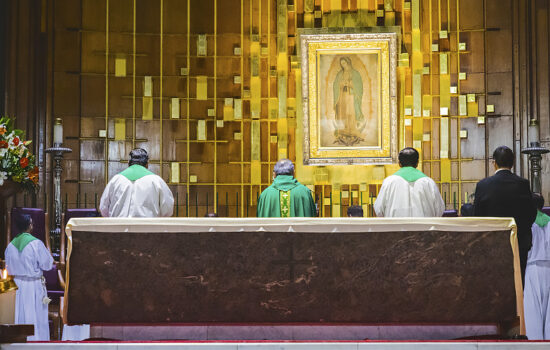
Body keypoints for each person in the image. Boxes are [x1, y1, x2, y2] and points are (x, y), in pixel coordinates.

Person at [474, 146, 536, 284]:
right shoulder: (522, 184)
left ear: (494, 162)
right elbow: (531, 213)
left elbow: (477, 216)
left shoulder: (483, 185)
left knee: (493, 284)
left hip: (491, 245)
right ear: (512, 163)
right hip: (518, 243)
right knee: (518, 284)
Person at [4, 214, 54, 341]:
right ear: (30, 226)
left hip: (15, 286)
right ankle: (36, 341)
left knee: (18, 314)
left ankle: (18, 342)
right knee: (35, 315)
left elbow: (7, 267)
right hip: (33, 284)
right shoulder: (36, 244)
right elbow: (47, 264)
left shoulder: (10, 246)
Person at [100, 148, 174, 217]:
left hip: (119, 228)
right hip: (148, 228)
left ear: (128, 163)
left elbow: (103, 208)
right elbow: (168, 209)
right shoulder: (156, 181)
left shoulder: (116, 180)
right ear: (147, 164)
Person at [374, 147, 445, 217]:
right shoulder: (428, 182)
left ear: (399, 163)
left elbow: (379, 210)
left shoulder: (389, 182)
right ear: (417, 163)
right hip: (423, 227)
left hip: (396, 227)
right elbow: (439, 209)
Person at [524, 193, 550, 340]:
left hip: (532, 268)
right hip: (548, 267)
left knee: (533, 310)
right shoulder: (549, 222)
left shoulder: (528, 223)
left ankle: (535, 342)